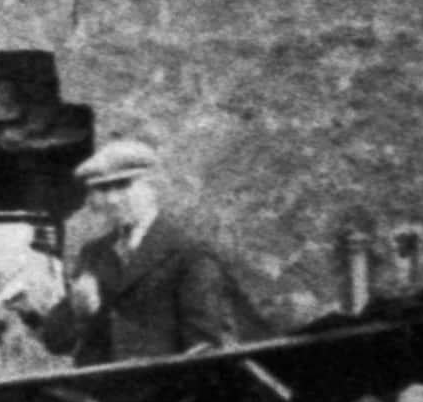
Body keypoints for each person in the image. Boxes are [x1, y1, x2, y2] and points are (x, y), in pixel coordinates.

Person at [53, 138, 284, 368]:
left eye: (123, 185)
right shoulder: (94, 253)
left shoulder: (190, 254)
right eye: (102, 189)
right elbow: (55, 342)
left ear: (153, 186)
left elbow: (206, 348)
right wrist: (78, 311)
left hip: (166, 393)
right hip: (100, 394)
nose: (112, 199)